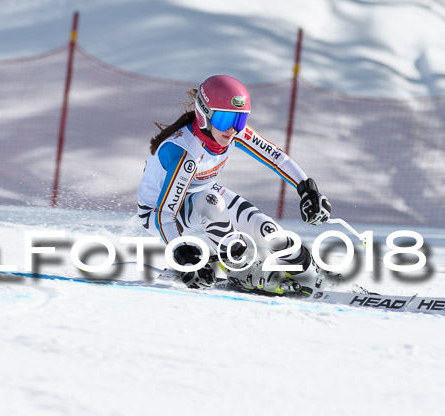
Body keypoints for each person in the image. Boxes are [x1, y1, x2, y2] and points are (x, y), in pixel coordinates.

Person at [137, 75, 334, 294]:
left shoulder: (234, 133)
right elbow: (165, 215)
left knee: (268, 231)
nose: (232, 129)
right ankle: (238, 267)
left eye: (239, 120)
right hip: (159, 214)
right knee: (212, 203)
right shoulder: (185, 154)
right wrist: (182, 254)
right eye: (224, 120)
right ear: (204, 115)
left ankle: (312, 274)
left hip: (202, 193)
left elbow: (277, 158)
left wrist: (307, 189)